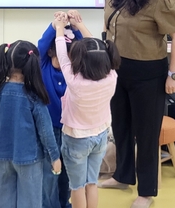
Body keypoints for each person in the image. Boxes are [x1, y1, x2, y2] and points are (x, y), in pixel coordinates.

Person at [98, 0, 175, 208]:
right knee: (120, 127)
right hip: (116, 70)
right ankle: (122, 176)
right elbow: (108, 26)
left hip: (148, 73)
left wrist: (174, 74)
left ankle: (146, 191)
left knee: (146, 134)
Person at [52, 11, 120, 208]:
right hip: (100, 136)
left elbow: (62, 55)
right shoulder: (111, 76)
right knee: (92, 183)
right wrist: (80, 25)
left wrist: (59, 29)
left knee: (77, 186)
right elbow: (99, 48)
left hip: (76, 139)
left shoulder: (75, 81)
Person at [0, 40, 62, 208]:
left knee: (2, 200)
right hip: (29, 158)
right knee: (30, 202)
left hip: (2, 154)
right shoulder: (34, 96)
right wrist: (54, 156)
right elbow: (46, 131)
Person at [37, 14, 83, 208]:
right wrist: (56, 26)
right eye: (62, 56)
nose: (66, 61)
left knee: (67, 173)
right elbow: (41, 44)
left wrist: (75, 26)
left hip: (70, 130)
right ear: (50, 53)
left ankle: (64, 203)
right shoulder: (43, 65)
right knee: (50, 172)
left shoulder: (74, 70)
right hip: (50, 130)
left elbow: (84, 47)